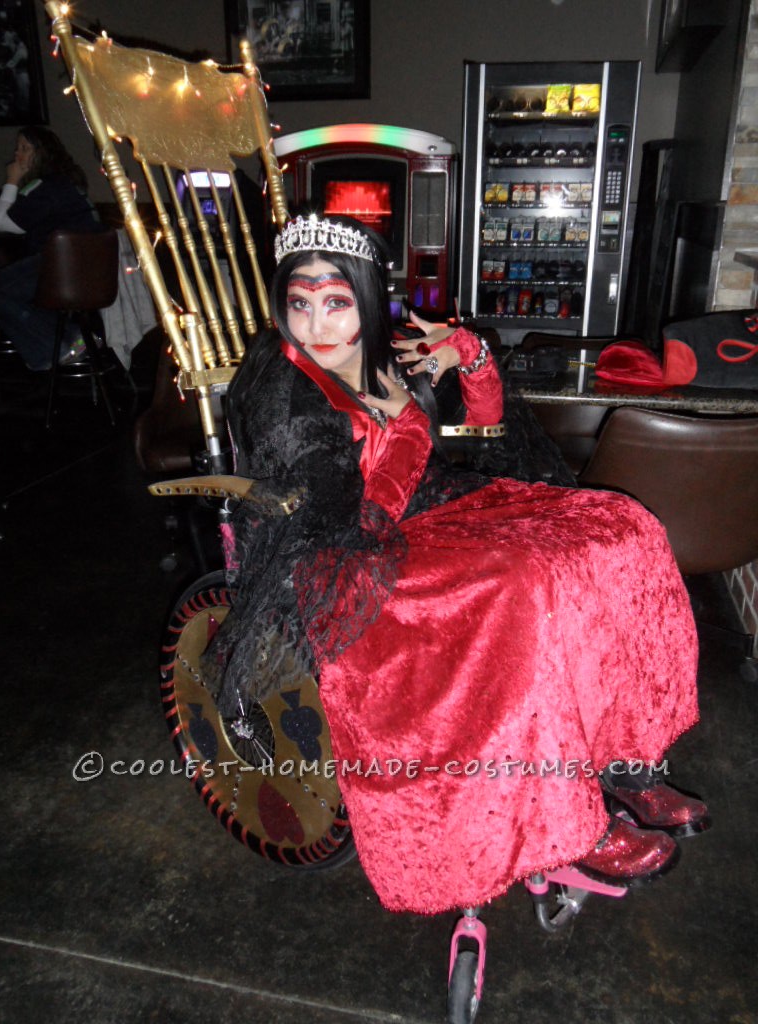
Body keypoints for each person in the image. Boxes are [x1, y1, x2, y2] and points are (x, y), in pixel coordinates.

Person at [203, 212, 709, 915]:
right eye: (300, 303)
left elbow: (487, 436)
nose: (317, 324)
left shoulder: (392, 354)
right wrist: (406, 435)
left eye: (336, 302)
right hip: (350, 556)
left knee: (617, 529)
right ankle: (560, 823)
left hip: (439, 510)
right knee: (521, 586)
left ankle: (619, 760)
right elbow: (339, 516)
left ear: (368, 300)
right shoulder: (283, 386)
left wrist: (468, 359)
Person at [0, 126, 103, 372]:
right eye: (16, 148)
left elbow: (4, 223)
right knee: (7, 289)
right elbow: (20, 227)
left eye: (24, 148)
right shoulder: (62, 184)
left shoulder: (44, 186)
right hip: (88, 269)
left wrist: (11, 181)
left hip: (64, 268)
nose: (16, 155)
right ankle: (72, 340)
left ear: (42, 153)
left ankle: (62, 343)